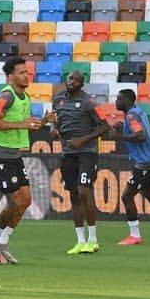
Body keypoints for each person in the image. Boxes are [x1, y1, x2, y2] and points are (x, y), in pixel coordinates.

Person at [0, 57, 48, 265]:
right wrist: (22, 125)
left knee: (25, 201)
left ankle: (3, 240)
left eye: (27, 72)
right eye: (22, 72)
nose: (27, 75)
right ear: (10, 76)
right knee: (15, 201)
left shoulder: (25, 97)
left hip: (14, 154)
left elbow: (23, 124)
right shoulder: (6, 96)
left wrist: (43, 122)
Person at [51, 70, 109, 255]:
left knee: (85, 192)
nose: (71, 82)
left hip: (87, 152)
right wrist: (54, 129)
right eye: (69, 79)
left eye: (75, 80)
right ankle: (80, 241)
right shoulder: (58, 100)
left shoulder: (89, 102)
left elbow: (105, 126)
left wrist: (83, 140)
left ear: (81, 84)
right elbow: (56, 122)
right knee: (74, 196)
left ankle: (93, 240)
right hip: (68, 154)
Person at [108, 89, 150, 245]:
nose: (116, 102)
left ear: (128, 100)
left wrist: (119, 136)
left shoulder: (131, 115)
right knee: (146, 191)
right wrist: (123, 127)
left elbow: (141, 136)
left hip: (147, 162)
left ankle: (135, 235)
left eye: (119, 99)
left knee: (127, 196)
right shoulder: (137, 112)